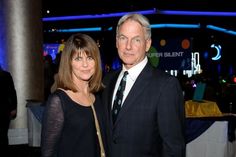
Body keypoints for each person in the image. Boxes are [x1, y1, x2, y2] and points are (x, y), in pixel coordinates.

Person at [102, 13, 186, 157]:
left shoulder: (166, 86)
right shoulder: (106, 81)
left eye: (136, 40)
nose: (128, 46)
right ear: (116, 42)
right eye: (123, 38)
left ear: (147, 44)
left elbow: (173, 148)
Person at [41, 33, 108, 157]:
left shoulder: (97, 96)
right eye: (78, 58)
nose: (85, 64)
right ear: (69, 63)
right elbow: (47, 152)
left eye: (89, 58)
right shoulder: (58, 101)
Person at [0, 66, 17, 153]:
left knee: (3, 135)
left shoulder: (6, 75)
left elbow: (12, 92)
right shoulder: (6, 75)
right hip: (4, 110)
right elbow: (13, 92)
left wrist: (14, 108)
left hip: (4, 110)